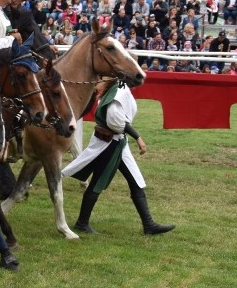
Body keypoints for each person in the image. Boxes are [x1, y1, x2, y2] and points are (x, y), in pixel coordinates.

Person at [63, 80, 175, 235]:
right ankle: (82, 223)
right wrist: (138, 137)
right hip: (110, 145)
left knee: (135, 181)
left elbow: (118, 119)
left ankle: (148, 224)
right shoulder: (116, 92)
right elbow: (115, 120)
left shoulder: (118, 89)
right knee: (97, 183)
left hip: (119, 143)